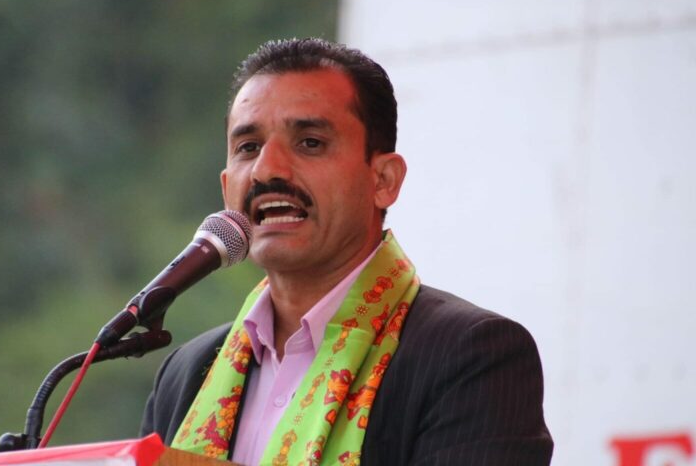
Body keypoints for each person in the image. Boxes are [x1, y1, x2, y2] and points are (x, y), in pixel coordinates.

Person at [140, 38, 553, 465]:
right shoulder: (186, 374)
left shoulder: (470, 355)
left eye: (310, 143)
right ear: (227, 187)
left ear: (384, 180)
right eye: (249, 147)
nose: (267, 169)